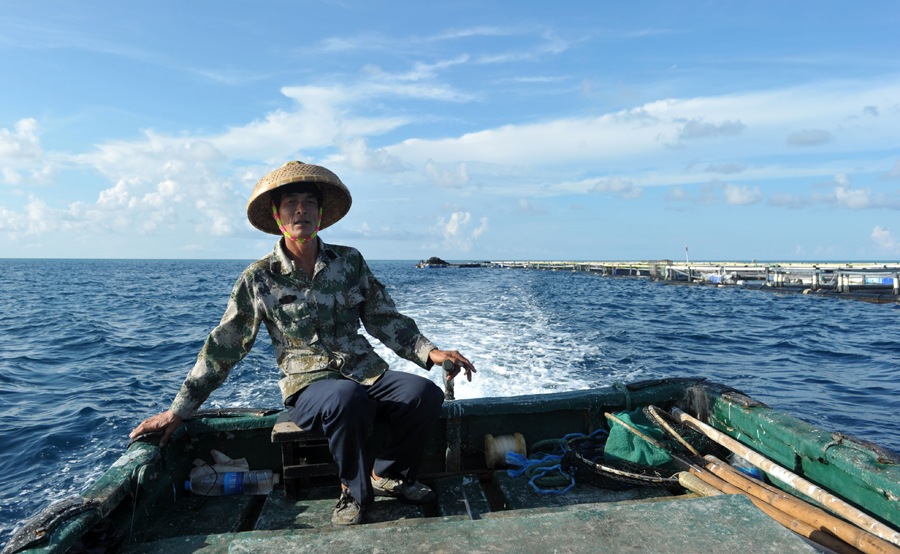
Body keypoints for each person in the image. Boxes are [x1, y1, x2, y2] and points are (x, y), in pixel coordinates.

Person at [130, 161, 475, 526]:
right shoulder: (259, 278)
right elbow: (225, 347)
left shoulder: (350, 262)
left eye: (309, 202)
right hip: (309, 387)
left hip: (366, 372)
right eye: (291, 202)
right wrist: (180, 409)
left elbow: (382, 318)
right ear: (278, 216)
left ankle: (387, 473)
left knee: (423, 394)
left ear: (320, 213)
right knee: (346, 398)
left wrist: (429, 351)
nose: (301, 209)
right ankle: (353, 491)